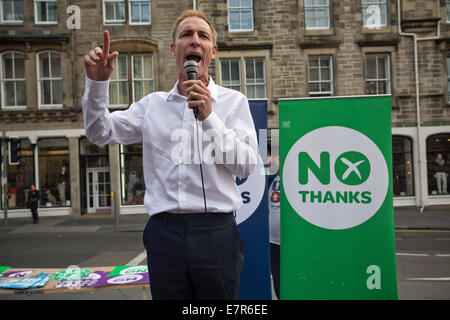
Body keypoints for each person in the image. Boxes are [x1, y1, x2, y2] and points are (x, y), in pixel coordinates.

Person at [82, 10, 258, 300]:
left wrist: (210, 118)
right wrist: (98, 85)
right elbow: (100, 132)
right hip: (165, 233)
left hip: (216, 231)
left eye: (203, 36)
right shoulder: (152, 106)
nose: (195, 41)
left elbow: (246, 165)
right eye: (186, 35)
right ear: (174, 49)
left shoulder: (233, 103)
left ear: (213, 51)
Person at [268, 151, 280, 299]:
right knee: (278, 283)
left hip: (292, 242)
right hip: (272, 242)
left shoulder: (296, 177)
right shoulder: (269, 179)